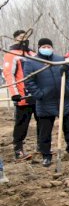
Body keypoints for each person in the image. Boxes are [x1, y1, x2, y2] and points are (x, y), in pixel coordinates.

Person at [23, 38, 69, 167]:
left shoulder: (59, 59)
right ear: (39, 47)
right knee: (45, 130)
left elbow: (68, 76)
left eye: (48, 46)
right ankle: (46, 154)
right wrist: (40, 94)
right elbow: (29, 81)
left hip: (63, 98)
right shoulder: (32, 62)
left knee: (68, 128)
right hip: (45, 101)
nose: (46, 48)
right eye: (43, 46)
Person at [3, 29, 37, 160]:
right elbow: (9, 74)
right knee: (21, 124)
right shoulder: (12, 54)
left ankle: (41, 146)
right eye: (20, 37)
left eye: (25, 37)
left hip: (37, 95)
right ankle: (18, 150)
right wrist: (14, 93)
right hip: (23, 96)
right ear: (15, 39)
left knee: (43, 122)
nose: (23, 39)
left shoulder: (33, 54)